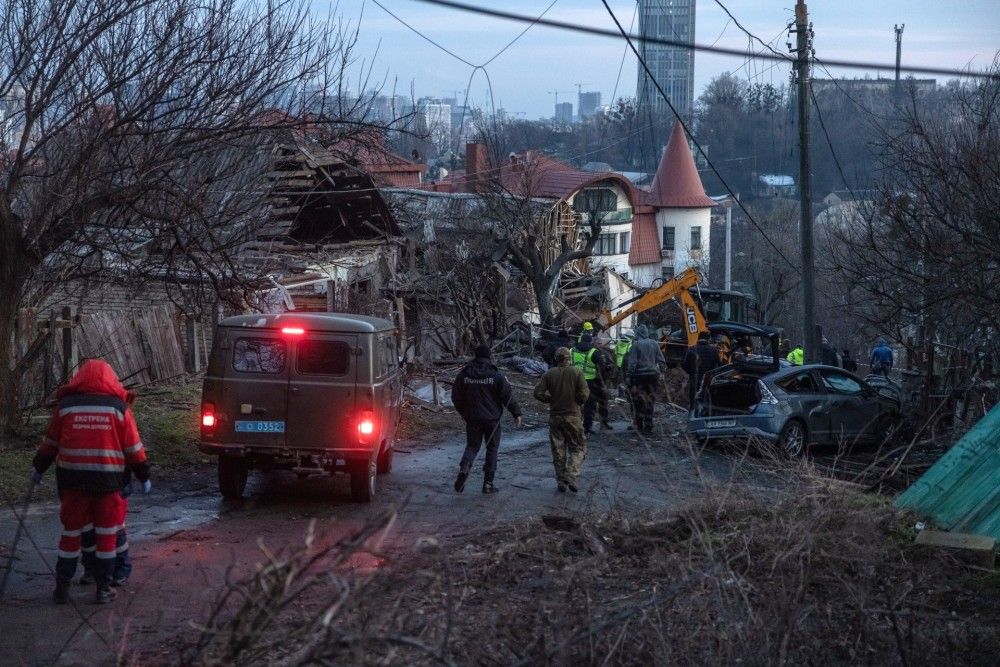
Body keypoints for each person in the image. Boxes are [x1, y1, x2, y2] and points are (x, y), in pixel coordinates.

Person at [30, 359, 151, 605]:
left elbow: (50, 444)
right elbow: (133, 449)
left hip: (72, 483)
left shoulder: (65, 407)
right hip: (108, 484)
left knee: (71, 534)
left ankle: (62, 587)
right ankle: (104, 588)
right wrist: (144, 475)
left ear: (80, 379)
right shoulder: (119, 408)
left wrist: (38, 469)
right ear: (110, 379)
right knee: (107, 536)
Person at [451, 345, 522, 494]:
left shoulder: (465, 374)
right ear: (489, 357)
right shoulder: (496, 375)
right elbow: (507, 397)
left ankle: (465, 467)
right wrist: (517, 414)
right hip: (492, 421)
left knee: (472, 446)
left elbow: (455, 396)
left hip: (472, 418)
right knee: (492, 449)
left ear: (475, 356)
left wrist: (464, 413)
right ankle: (488, 483)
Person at [533, 347, 589, 492]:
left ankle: (561, 482)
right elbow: (584, 394)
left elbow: (537, 393)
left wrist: (550, 399)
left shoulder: (548, 374)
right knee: (578, 447)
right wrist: (575, 401)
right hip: (573, 417)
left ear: (556, 359)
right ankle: (571, 476)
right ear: (568, 358)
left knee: (558, 450)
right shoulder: (577, 372)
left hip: (555, 416)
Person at [624, 324, 666, 435]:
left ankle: (639, 426)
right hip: (653, 376)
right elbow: (661, 361)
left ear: (638, 334)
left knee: (639, 401)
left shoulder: (636, 345)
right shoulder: (654, 343)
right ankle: (648, 426)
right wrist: (662, 372)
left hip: (640, 376)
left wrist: (629, 376)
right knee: (650, 401)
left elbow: (632, 363)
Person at [571, 333, 611, 433]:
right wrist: (603, 381)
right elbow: (602, 368)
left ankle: (573, 425)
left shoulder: (571, 350)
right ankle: (587, 428)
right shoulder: (594, 352)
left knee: (575, 404)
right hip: (590, 382)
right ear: (590, 341)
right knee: (589, 405)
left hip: (574, 381)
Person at [682, 332, 720, 408]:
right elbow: (719, 365)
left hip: (694, 379)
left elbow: (685, 366)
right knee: (707, 400)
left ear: (698, 338)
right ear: (708, 339)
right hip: (708, 380)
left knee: (693, 400)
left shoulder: (691, 349)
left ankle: (693, 414)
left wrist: (691, 373)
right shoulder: (713, 350)